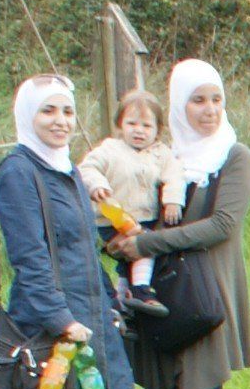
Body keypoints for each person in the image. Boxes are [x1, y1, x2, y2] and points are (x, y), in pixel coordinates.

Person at [114, 60, 250, 389]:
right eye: (197, 100)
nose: (209, 109)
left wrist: (146, 244)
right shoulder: (165, 157)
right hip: (168, 292)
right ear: (179, 105)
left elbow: (221, 225)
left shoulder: (233, 156)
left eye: (216, 99)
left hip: (208, 293)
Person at [0, 75, 141, 389]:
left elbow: (84, 247)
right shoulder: (19, 171)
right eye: (48, 111)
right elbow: (29, 257)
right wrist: (60, 320)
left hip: (94, 317)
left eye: (68, 112)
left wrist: (111, 303)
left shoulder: (68, 169)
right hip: (50, 325)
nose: (60, 121)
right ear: (27, 115)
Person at [76, 88, 181, 314]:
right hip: (112, 219)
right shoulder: (110, 149)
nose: (138, 131)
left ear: (158, 129)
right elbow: (86, 168)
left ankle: (124, 304)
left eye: (146, 126)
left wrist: (173, 201)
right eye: (131, 124)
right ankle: (141, 290)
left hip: (146, 216)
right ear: (120, 124)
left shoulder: (162, 154)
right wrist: (97, 185)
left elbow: (175, 176)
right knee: (143, 245)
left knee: (131, 260)